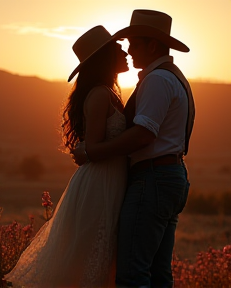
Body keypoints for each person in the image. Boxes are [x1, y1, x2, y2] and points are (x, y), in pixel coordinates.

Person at [72, 9, 195, 288]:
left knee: (132, 275)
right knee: (157, 274)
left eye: (133, 43)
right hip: (168, 177)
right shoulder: (171, 77)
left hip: (153, 179)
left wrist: (91, 153)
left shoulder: (157, 80)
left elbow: (142, 135)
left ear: (152, 45)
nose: (128, 49)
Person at [4, 25, 129, 287]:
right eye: (118, 48)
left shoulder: (107, 92)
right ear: (105, 56)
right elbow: (92, 148)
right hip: (99, 184)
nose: (125, 51)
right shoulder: (99, 94)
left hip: (108, 180)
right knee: (90, 255)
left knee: (101, 256)